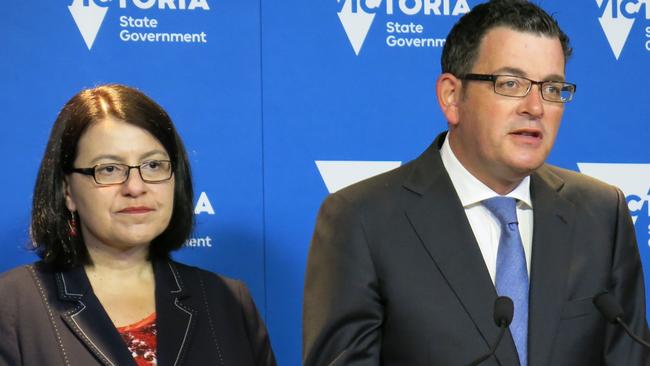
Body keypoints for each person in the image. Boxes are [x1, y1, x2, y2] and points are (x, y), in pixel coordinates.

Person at [302, 1, 649, 365]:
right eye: (511, 83)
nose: (535, 106)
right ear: (452, 96)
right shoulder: (362, 219)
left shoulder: (600, 212)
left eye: (552, 88)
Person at [0, 84, 276, 366]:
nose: (135, 186)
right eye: (109, 169)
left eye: (153, 166)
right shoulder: (12, 305)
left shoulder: (227, 300)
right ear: (67, 190)